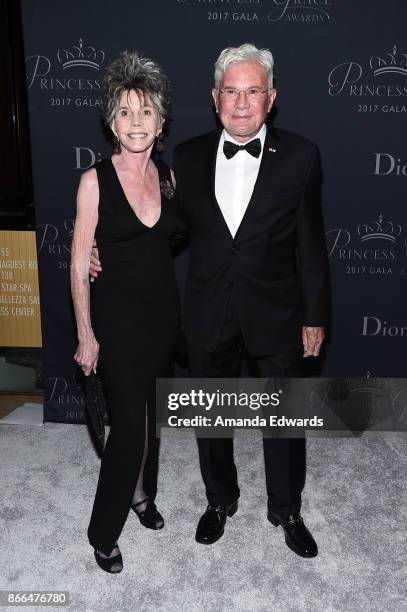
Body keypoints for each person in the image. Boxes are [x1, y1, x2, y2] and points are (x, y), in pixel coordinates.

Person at [90, 43, 330, 558]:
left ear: (271, 99)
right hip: (207, 310)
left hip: (277, 310)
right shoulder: (187, 156)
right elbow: (161, 226)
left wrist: (315, 316)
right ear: (215, 96)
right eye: (231, 91)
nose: (241, 103)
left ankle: (286, 509)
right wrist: (97, 247)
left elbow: (312, 243)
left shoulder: (303, 155)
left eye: (253, 91)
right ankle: (220, 500)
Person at [70, 50, 181, 573]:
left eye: (145, 112)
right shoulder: (94, 181)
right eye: (125, 112)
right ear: (112, 122)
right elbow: (76, 265)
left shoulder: (170, 178)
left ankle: (142, 496)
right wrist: (86, 334)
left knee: (151, 419)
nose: (136, 122)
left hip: (163, 318)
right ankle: (103, 531)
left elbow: (174, 240)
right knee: (130, 430)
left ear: (160, 122)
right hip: (116, 322)